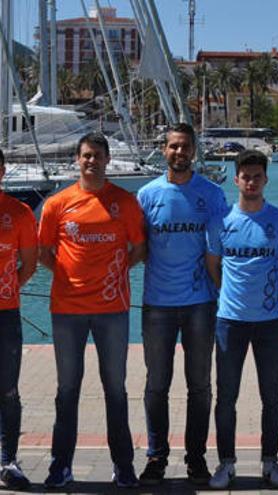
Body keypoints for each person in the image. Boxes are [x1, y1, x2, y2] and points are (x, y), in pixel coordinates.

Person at [37, 133, 146, 488]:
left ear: (107, 159)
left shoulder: (124, 202)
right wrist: (69, 277)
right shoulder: (57, 203)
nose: (91, 161)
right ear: (77, 160)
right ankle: (60, 466)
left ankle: (124, 465)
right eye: (85, 156)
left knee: (115, 388)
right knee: (67, 389)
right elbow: (44, 254)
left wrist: (114, 273)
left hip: (112, 310)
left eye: (97, 156)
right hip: (66, 310)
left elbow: (139, 248)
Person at [136, 122, 228, 485]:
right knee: (157, 385)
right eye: (173, 146)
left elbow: (221, 251)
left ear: (194, 150)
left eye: (185, 146)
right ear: (164, 150)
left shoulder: (212, 195)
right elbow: (138, 248)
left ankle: (196, 458)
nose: (179, 152)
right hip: (157, 304)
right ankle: (156, 456)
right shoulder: (146, 195)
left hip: (200, 305)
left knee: (200, 386)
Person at [204, 150, 278, 489]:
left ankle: (270, 462)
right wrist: (234, 297)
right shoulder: (221, 222)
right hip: (230, 322)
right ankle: (227, 464)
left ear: (265, 180)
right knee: (226, 395)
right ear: (236, 179)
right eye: (246, 176)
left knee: (271, 396)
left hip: (270, 322)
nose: (252, 181)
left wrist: (267, 295)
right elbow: (214, 268)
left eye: (258, 176)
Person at [0, 149, 38, 490]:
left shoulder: (20, 213)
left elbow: (30, 263)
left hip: (5, 313)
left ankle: (8, 460)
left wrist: (10, 287)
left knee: (8, 391)